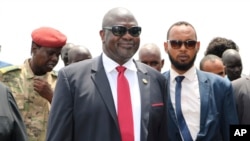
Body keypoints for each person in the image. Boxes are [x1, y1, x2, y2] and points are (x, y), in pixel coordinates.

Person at [46, 7, 167, 141]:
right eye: (119, 30)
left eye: (134, 31)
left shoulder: (156, 80)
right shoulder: (72, 79)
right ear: (103, 35)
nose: (128, 36)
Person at [162, 21, 238, 141]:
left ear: (197, 46)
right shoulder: (156, 86)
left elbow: (233, 131)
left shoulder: (220, 86)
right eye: (176, 43)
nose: (183, 49)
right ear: (166, 47)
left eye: (190, 44)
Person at [0, 26, 67, 141]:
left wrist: (52, 97)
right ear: (34, 48)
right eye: (50, 53)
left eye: (58, 55)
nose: (55, 59)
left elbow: (70, 120)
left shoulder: (61, 83)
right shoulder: (6, 78)